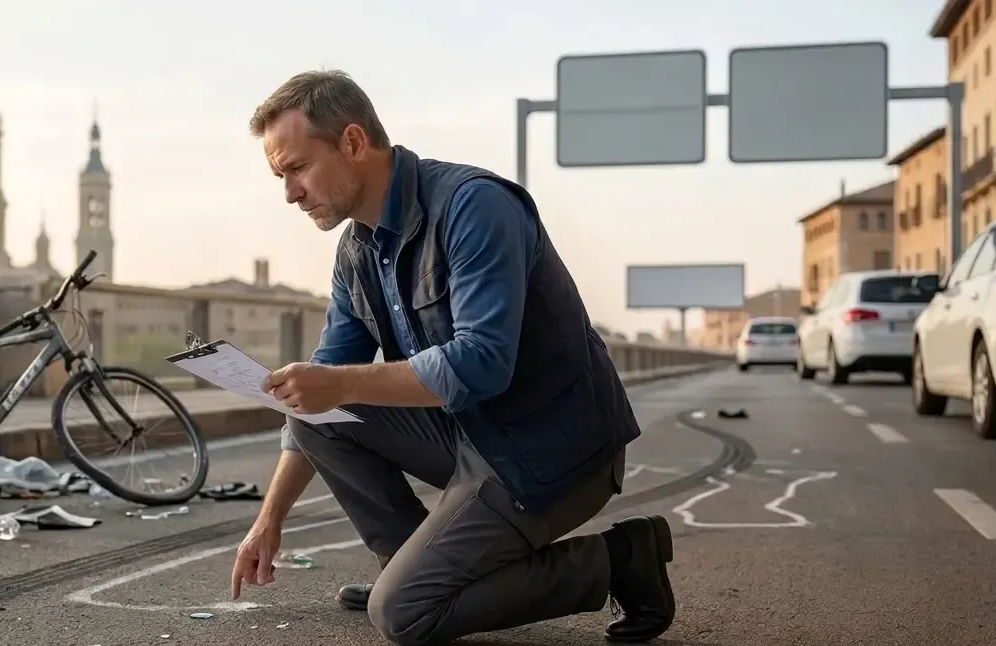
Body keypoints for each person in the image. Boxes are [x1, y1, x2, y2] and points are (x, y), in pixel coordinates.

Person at [229, 69, 677, 645]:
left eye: (296, 168)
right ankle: (414, 568)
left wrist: (337, 385)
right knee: (316, 419)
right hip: (470, 439)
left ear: (353, 142)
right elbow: (321, 396)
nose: (290, 192)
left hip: (550, 454)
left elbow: (482, 362)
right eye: (280, 176)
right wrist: (269, 520)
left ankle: (620, 558)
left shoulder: (474, 206)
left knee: (403, 615)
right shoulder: (356, 250)